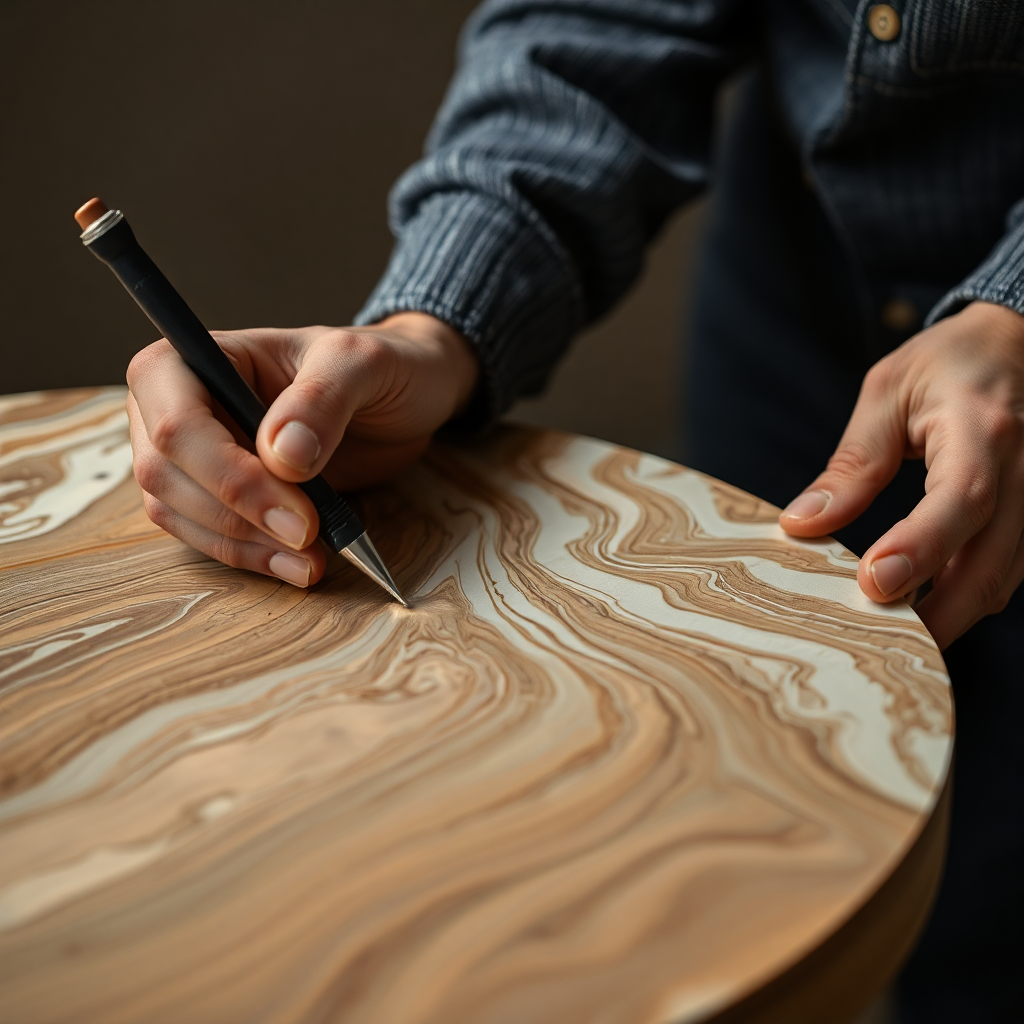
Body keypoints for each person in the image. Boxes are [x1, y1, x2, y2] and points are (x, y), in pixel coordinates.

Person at [125, 1, 1023, 1019]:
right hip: (804, 290)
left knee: (995, 922)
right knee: (731, 853)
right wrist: (432, 328)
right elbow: (597, 25)